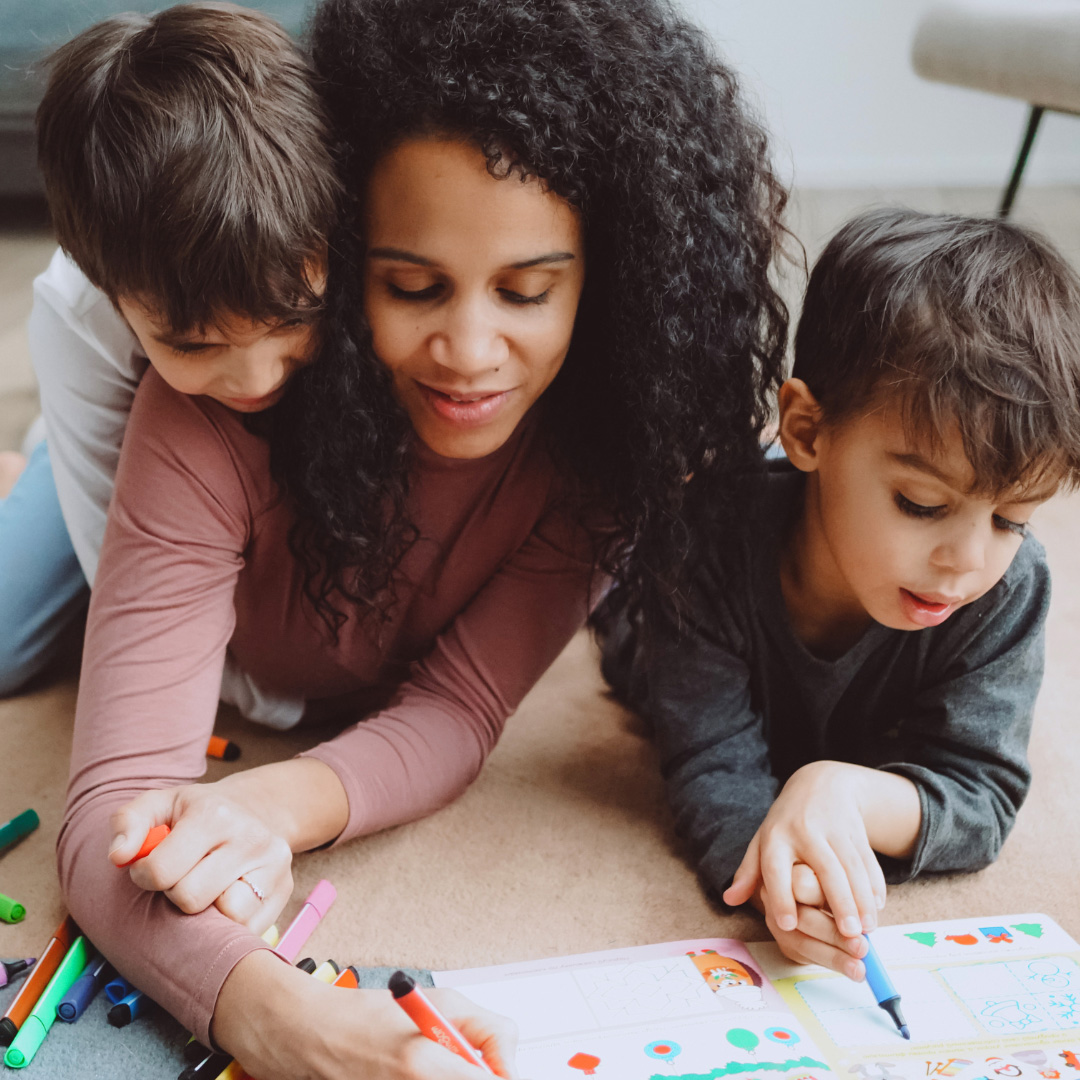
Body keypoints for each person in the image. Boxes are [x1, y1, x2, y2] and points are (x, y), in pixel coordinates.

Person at [55, 0, 790, 1076]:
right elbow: (109, 819)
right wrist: (289, 1022)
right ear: (341, 250)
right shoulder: (213, 408)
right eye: (409, 285)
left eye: (529, 291)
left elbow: (459, 707)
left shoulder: (602, 447)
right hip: (147, 474)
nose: (470, 351)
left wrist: (274, 801)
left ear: (610, 282)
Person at [600, 207, 1080, 984]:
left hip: (834, 719)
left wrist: (841, 794)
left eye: (1011, 519)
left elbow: (981, 795)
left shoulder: (1006, 588)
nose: (966, 560)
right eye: (922, 504)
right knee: (629, 600)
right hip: (653, 612)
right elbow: (711, 765)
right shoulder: (704, 542)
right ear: (807, 430)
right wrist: (783, 883)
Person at [18, 2, 336, 726]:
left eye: (291, 319)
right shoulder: (76, 318)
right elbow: (129, 589)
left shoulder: (315, 211)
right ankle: (41, 458)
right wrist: (276, 702)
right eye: (194, 345)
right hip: (119, 441)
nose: (257, 379)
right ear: (111, 294)